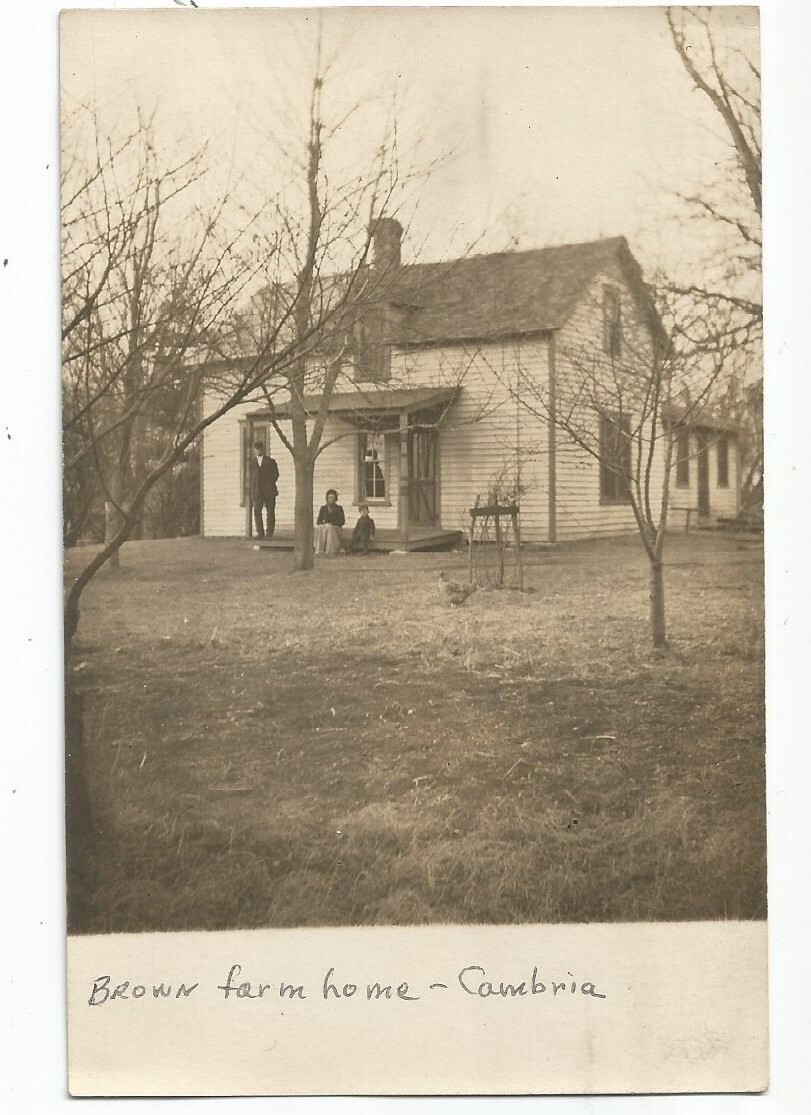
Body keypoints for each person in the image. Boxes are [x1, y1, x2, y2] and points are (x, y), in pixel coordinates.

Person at [250, 440, 279, 539]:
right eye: (256, 449)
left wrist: (268, 483)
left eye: (259, 449)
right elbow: (250, 478)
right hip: (258, 492)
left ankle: (269, 533)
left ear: (263, 449)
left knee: (270, 511)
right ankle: (260, 532)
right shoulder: (252, 463)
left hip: (269, 491)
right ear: (254, 450)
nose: (258, 451)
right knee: (257, 511)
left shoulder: (270, 461)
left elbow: (276, 475)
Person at [315, 489, 345, 556]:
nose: (331, 500)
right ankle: (320, 550)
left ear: (335, 499)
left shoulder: (339, 508)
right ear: (327, 499)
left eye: (333, 498)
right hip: (325, 527)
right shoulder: (323, 508)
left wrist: (332, 523)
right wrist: (323, 523)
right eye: (329, 498)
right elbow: (318, 521)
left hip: (336, 528)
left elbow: (342, 521)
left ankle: (330, 551)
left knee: (329, 527)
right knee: (320, 528)